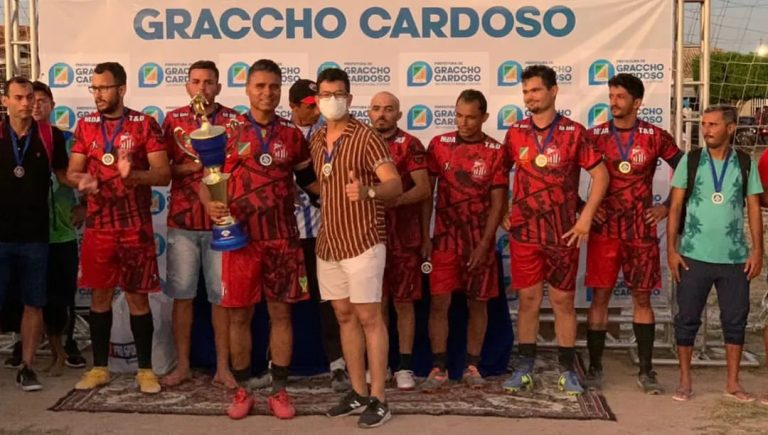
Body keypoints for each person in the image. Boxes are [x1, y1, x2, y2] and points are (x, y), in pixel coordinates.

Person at [204, 59, 320, 420]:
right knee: (239, 316)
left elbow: (310, 183)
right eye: (260, 86)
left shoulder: (292, 135)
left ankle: (279, 391)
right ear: (247, 89)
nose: (267, 93)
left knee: (281, 314)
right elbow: (208, 181)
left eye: (273, 86)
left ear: (281, 90)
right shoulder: (227, 132)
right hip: (240, 240)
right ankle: (243, 390)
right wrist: (210, 205)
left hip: (283, 239)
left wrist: (345, 195)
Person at [502, 65, 608, 396]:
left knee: (563, 301)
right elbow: (498, 175)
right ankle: (525, 367)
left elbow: (602, 176)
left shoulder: (574, 133)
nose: (529, 97)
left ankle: (567, 370)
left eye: (535, 90)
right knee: (528, 300)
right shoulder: (515, 132)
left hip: (563, 234)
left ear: (553, 91)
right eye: (525, 92)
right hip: (525, 234)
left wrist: (585, 217)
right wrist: (504, 210)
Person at [66, 62, 170, 394]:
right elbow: (72, 171)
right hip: (99, 226)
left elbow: (163, 174)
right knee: (100, 296)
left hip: (134, 226)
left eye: (104, 88)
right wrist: (81, 180)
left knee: (138, 298)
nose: (97, 94)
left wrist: (133, 175)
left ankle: (145, 370)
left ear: (121, 89)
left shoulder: (144, 124)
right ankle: (100, 368)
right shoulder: (85, 125)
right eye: (94, 88)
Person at [309, 68, 402, 428]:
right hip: (329, 242)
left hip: (363, 240)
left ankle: (380, 398)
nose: (331, 100)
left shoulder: (366, 137)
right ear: (317, 99)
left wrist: (368, 191)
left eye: (338, 94)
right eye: (325, 94)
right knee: (344, 317)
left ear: (349, 98)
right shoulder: (317, 139)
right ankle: (358, 391)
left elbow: (394, 184)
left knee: (369, 318)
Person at [583, 73, 683, 393]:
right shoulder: (594, 136)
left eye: (620, 97)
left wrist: (667, 206)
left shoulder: (655, 136)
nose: (613, 102)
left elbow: (686, 169)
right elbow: (561, 174)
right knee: (600, 297)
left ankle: (646, 370)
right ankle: (595, 367)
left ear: (637, 102)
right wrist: (583, 207)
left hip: (640, 232)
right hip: (604, 231)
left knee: (642, 298)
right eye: (611, 96)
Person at [667, 104, 763, 402]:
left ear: (730, 128)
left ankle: (733, 383)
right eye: (704, 124)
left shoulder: (745, 162)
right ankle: (685, 381)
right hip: (693, 255)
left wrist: (757, 251)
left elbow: (753, 208)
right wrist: (671, 250)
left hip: (734, 258)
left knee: (735, 320)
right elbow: (675, 206)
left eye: (713, 124)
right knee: (687, 319)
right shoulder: (691, 160)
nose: (706, 130)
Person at [419, 90, 508, 392]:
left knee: (478, 304)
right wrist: (425, 235)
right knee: (439, 303)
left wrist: (485, 244)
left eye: (471, 117)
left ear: (484, 117)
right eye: (459, 115)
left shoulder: (496, 151)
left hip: (479, 242)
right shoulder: (439, 145)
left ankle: (472, 365)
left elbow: (499, 203)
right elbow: (426, 195)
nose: (464, 122)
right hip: (444, 241)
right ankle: (439, 367)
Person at [161, 60, 240, 389]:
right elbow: (162, 170)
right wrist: (197, 166)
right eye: (196, 81)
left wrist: (218, 167)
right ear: (187, 86)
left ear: (219, 87)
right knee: (182, 297)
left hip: (222, 222)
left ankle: (223, 368)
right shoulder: (173, 120)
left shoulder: (235, 122)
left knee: (222, 299)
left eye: (208, 82)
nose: (202, 88)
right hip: (183, 221)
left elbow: (240, 168)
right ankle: (182, 366)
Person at [0, 77, 70, 391]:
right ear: (5, 101)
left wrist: (90, 181)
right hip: (1, 236)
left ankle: (27, 367)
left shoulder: (50, 135)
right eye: (18, 97)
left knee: (34, 303)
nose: (26, 103)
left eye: (29, 97)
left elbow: (65, 176)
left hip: (36, 237)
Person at [368, 91, 431, 390]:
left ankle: (404, 366)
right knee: (376, 303)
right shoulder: (361, 143)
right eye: (376, 108)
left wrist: (396, 200)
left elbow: (423, 188)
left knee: (404, 303)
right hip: (369, 236)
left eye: (388, 109)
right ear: (369, 112)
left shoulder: (410, 144)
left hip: (405, 238)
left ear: (399, 114)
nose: (382, 114)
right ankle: (380, 364)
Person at [288, 79, 349, 392]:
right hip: (285, 233)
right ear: (294, 106)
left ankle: (338, 365)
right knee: (281, 305)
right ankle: (276, 366)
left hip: (324, 231)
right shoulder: (280, 135)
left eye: (319, 104)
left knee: (330, 301)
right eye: (310, 106)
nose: (317, 110)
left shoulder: (330, 133)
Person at [32, 80, 88, 376]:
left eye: (42, 100)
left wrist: (86, 207)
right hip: (29, 232)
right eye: (31, 100)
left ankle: (69, 345)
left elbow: (86, 175)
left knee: (65, 295)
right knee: (34, 295)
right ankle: (36, 347)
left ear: (52, 105)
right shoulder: (16, 140)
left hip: (63, 231)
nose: (36, 105)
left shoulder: (67, 140)